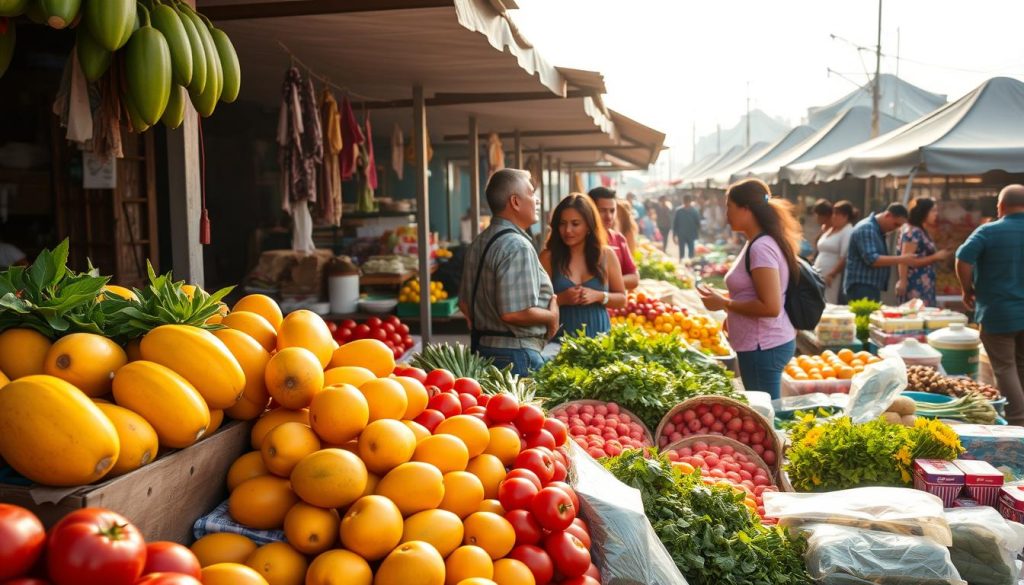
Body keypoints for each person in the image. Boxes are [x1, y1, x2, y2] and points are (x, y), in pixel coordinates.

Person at [696, 179, 799, 399]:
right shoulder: (756, 242)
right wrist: (730, 308)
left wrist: (724, 304)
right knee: (763, 408)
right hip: (759, 344)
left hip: (763, 346)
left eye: (729, 207)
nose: (726, 214)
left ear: (746, 209)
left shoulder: (761, 247)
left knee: (766, 414)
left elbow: (770, 306)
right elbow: (753, 293)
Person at [458, 169, 558, 376]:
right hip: (515, 357)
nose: (537, 200)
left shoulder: (479, 242)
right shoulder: (517, 245)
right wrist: (551, 316)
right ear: (515, 202)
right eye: (531, 193)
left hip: (484, 350)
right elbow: (513, 312)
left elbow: (464, 304)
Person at [956, 184, 1024, 426]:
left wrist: (967, 290)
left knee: (1005, 367)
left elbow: (963, 258)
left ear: (1001, 207)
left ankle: (1018, 421)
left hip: (998, 313)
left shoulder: (988, 231)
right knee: (1020, 365)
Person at [540, 194, 626, 338]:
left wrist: (599, 296)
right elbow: (535, 303)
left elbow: (622, 299)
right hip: (557, 343)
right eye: (562, 223)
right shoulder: (548, 257)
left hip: (600, 342)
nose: (567, 230)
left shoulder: (607, 255)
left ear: (588, 226)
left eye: (575, 224)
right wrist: (561, 298)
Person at [843, 202, 917, 303]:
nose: (895, 228)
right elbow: (872, 259)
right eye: (896, 224)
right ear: (888, 215)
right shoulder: (867, 228)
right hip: (861, 286)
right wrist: (902, 259)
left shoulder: (877, 230)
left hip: (869, 286)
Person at [897, 197, 952, 306]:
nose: (936, 214)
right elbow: (906, 260)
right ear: (923, 212)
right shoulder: (912, 232)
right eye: (933, 210)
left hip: (925, 284)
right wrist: (935, 257)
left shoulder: (920, 229)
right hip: (915, 285)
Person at [587, 186, 639, 290]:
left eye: (612, 211)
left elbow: (634, 278)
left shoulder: (619, 239)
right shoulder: (579, 240)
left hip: (615, 304)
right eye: (602, 211)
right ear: (589, 210)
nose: (609, 217)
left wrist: (606, 282)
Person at [813, 200, 855, 304]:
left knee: (829, 301)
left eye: (837, 214)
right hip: (819, 273)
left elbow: (844, 257)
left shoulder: (847, 231)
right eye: (833, 213)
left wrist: (831, 274)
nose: (833, 217)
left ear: (845, 216)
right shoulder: (830, 229)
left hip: (832, 276)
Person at [672, 195, 702, 260]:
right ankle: (682, 264)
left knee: (691, 252)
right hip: (681, 235)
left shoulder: (694, 211)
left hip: (691, 235)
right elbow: (675, 224)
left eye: (687, 202)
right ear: (683, 202)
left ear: (690, 202)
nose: (686, 204)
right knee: (681, 252)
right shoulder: (679, 211)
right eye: (685, 202)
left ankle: (690, 265)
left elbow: (698, 224)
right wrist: (674, 235)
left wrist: (697, 234)